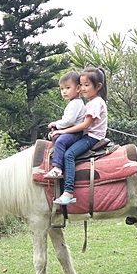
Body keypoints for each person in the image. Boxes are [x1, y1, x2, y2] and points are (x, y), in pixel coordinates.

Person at [51, 67, 109, 206]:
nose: (82, 88)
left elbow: (84, 125)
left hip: (92, 136)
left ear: (98, 86)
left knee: (69, 155)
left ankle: (68, 192)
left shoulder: (96, 103)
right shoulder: (91, 102)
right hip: (88, 134)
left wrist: (62, 132)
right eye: (81, 85)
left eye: (86, 85)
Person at [44, 70, 86, 180]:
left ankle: (57, 168)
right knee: (56, 137)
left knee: (61, 141)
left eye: (68, 88)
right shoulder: (73, 103)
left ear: (77, 88)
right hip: (70, 130)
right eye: (62, 89)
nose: (64, 91)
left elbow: (69, 121)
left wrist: (56, 124)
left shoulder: (76, 103)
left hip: (75, 132)